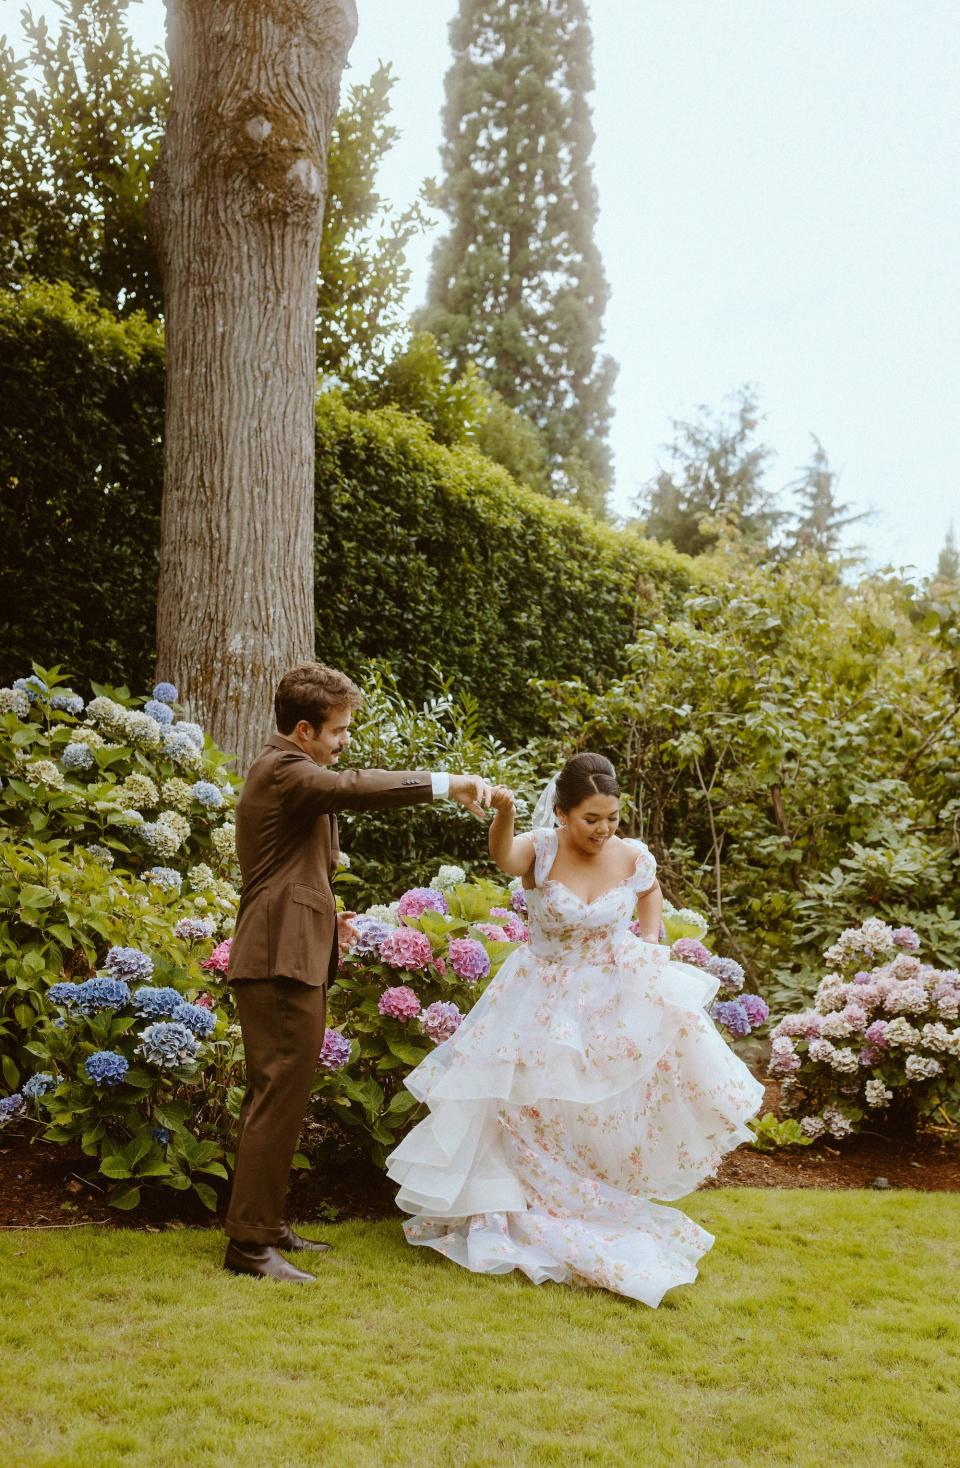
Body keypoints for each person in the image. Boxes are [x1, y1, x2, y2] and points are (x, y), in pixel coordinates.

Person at [386, 752, 764, 1306]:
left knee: (600, 1107)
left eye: (612, 817)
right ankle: (529, 1202)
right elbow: (503, 857)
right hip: (541, 996)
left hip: (611, 991)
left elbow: (648, 889)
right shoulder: (540, 848)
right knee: (529, 1105)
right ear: (562, 813)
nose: (604, 829)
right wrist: (505, 814)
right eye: (592, 819)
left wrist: (651, 941)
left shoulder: (631, 854)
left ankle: (594, 1194)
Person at [223, 661, 491, 1282]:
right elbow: (349, 788)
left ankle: (265, 1224)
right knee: (276, 1095)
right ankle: (249, 1246)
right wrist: (444, 783)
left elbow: (296, 866)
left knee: (280, 1096)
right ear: (303, 729)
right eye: (338, 730)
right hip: (277, 958)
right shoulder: (286, 769)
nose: (345, 742)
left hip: (288, 949)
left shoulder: (284, 770)